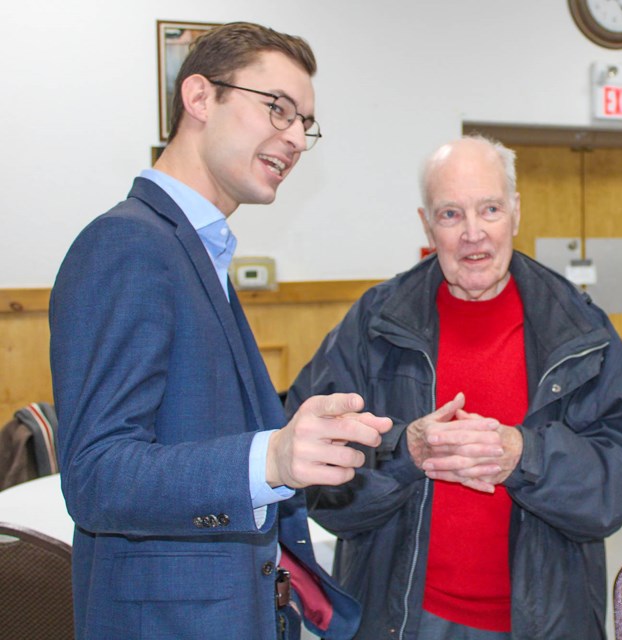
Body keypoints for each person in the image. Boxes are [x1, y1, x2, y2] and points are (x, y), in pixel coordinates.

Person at [49, 22, 392, 640]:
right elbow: (98, 475)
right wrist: (273, 456)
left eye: (304, 123)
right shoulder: (128, 244)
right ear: (201, 98)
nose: (293, 138)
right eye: (278, 109)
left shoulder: (196, 250)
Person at [285, 134, 622, 639]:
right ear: (427, 225)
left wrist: (525, 457)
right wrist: (406, 451)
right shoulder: (375, 323)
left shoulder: (576, 325)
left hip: (544, 620)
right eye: (450, 214)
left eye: (489, 209)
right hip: (404, 617)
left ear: (515, 213)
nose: (473, 233)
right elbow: (311, 458)